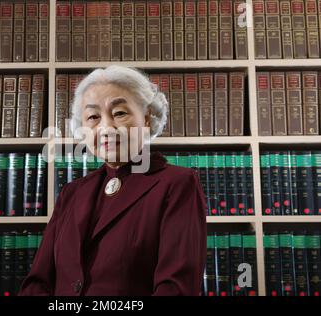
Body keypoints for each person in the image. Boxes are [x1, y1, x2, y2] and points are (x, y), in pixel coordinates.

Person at [19, 65, 207, 296]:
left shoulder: (177, 184)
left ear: (146, 120)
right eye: (93, 117)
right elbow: (37, 283)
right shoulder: (71, 192)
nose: (106, 128)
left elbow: (177, 289)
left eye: (119, 113)